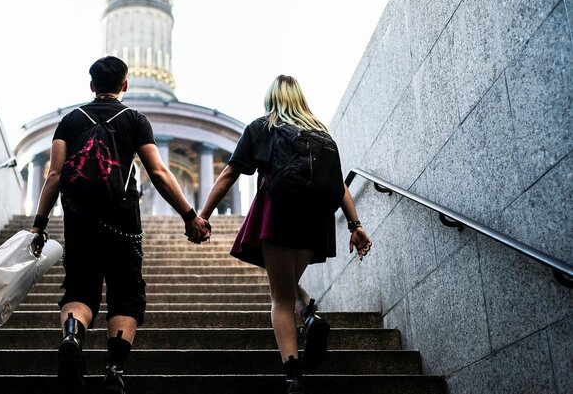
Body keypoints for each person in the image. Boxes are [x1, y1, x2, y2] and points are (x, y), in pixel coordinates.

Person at [29, 56, 211, 394]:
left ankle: (72, 336)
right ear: (124, 85)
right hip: (122, 219)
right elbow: (158, 171)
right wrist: (190, 215)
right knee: (126, 294)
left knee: (80, 288)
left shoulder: (70, 121)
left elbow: (54, 175)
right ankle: (114, 370)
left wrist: (39, 225)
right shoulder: (135, 120)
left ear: (91, 85)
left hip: (79, 217)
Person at [198, 75, 373, 394]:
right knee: (287, 283)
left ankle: (293, 374)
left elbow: (230, 173)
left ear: (271, 99)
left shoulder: (262, 127)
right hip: (315, 220)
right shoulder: (321, 133)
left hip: (278, 214)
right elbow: (340, 185)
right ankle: (307, 312)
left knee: (279, 297)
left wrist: (203, 215)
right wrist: (355, 225)